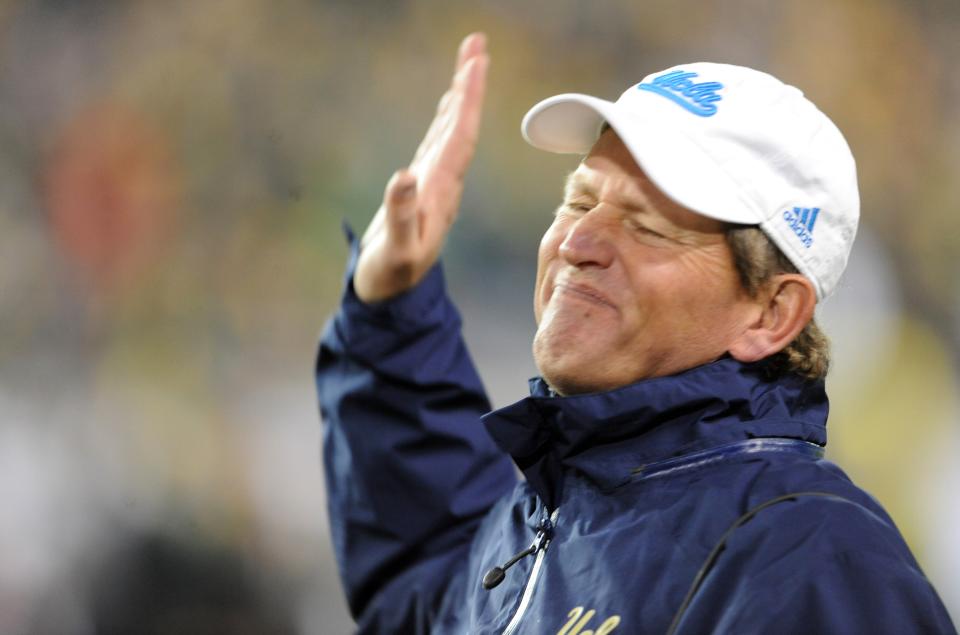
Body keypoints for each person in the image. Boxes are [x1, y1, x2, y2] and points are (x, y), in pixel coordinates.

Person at [316, 33, 956, 634]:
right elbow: (436, 584)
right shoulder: (553, 515)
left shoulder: (813, 562)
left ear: (770, 315)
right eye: (580, 201)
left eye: (649, 226)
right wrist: (389, 303)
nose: (578, 241)